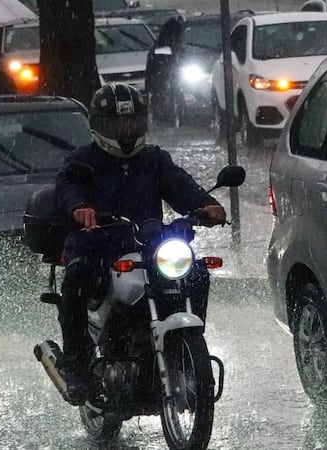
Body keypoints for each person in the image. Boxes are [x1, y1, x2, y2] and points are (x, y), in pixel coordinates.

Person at [54, 83, 227, 405]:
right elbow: (67, 189)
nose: (124, 130)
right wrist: (79, 209)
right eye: (116, 124)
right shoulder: (83, 161)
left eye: (131, 123)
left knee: (198, 272)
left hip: (148, 244)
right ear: (98, 126)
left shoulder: (154, 159)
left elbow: (180, 185)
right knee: (76, 280)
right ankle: (77, 368)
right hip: (97, 245)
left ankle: (187, 345)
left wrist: (206, 204)